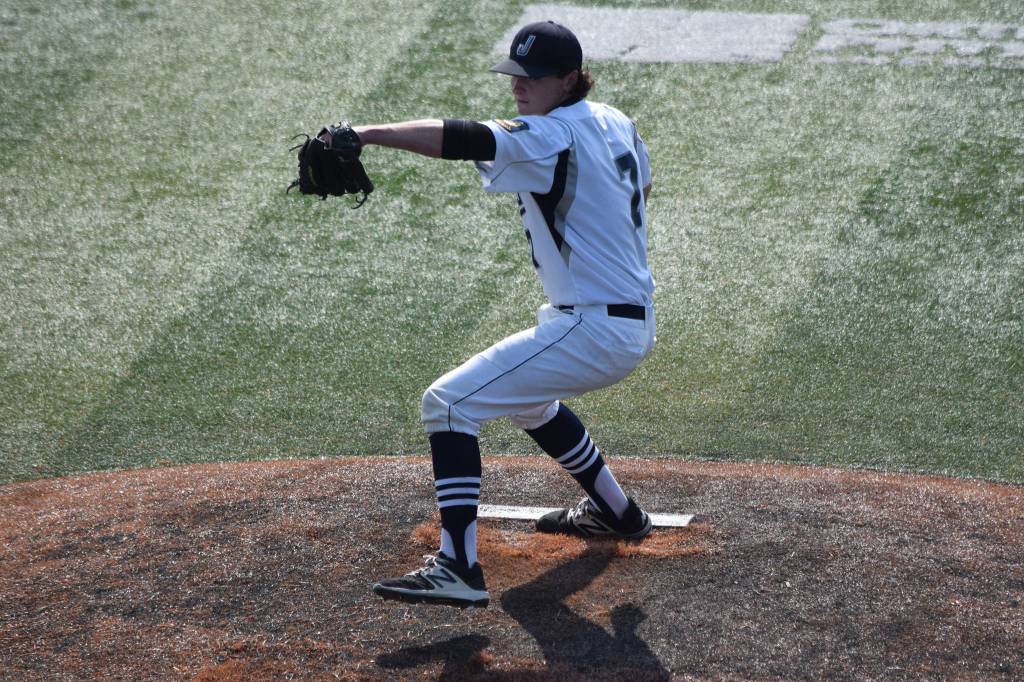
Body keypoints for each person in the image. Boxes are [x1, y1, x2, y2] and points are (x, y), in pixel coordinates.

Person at [359, 20, 657, 608]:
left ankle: (457, 567)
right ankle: (618, 513)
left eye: (535, 77)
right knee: (525, 398)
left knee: (447, 404)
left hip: (592, 326)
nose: (520, 87)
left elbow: (463, 137)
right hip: (621, 319)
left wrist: (363, 133)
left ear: (569, 79)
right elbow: (643, 189)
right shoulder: (614, 120)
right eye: (515, 75)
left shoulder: (551, 134)